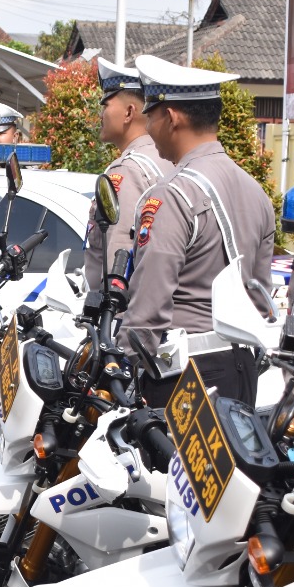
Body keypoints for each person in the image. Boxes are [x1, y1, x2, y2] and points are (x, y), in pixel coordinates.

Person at [118, 55, 274, 408]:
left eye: (151, 115)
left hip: (185, 377)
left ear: (171, 118)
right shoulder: (256, 192)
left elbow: (149, 309)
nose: (147, 125)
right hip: (242, 368)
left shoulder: (171, 194)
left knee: (165, 466)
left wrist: (122, 366)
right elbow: (261, 299)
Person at [84, 60, 174, 290]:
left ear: (129, 112)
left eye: (106, 105)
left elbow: (118, 259)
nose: (101, 113)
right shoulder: (164, 158)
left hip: (120, 317)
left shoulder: (128, 170)